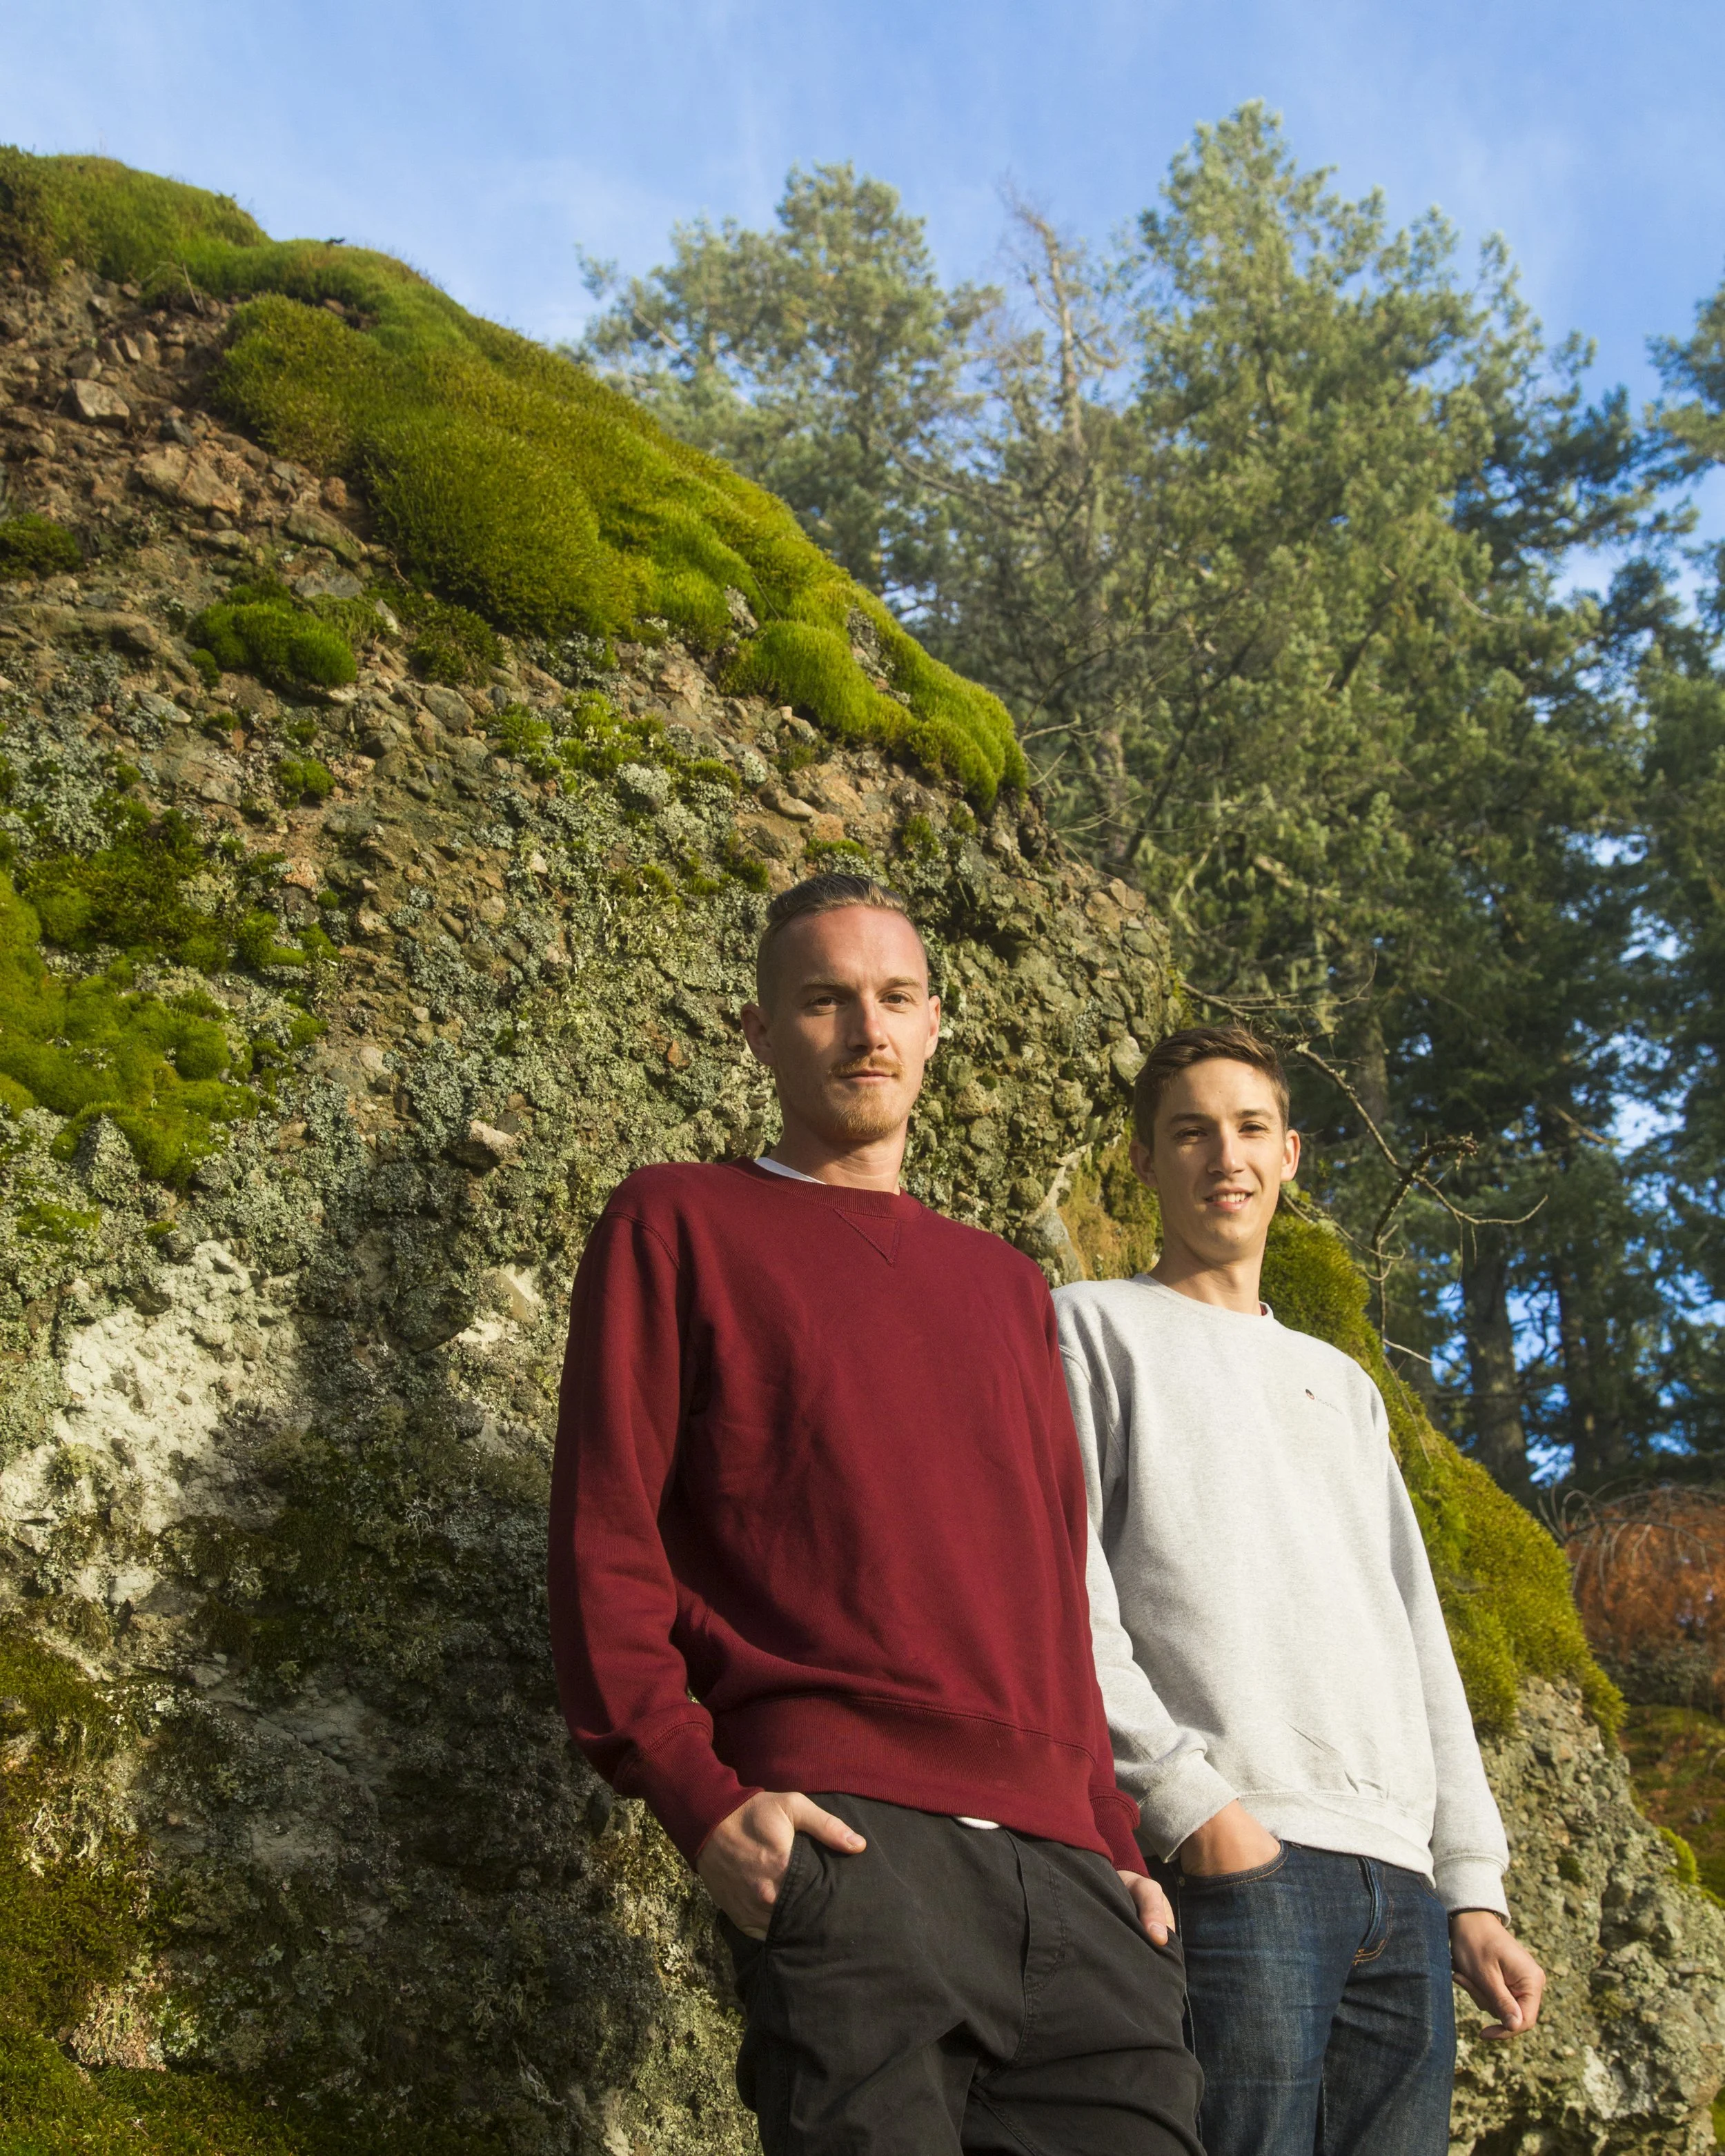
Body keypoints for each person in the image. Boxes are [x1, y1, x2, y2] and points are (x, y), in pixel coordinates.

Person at [547, 873, 1203, 2156]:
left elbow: (1053, 1593)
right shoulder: (676, 1220)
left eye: (896, 997)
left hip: (1081, 1891)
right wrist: (696, 1797)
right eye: (826, 1000)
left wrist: (1117, 1839)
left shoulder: (1012, 1288)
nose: (868, 1030)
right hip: (854, 1849)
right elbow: (605, 1538)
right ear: (759, 1032)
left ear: (937, 1025)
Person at [1055, 1024, 1546, 2156]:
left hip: (1403, 1889)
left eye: (1249, 1129)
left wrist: (1472, 1885)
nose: (1223, 1155)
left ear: (1290, 1156)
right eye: (1189, 1132)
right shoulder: (1092, 1329)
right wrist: (1188, 1802)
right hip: (1240, 1864)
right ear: (1143, 1161)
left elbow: (1416, 1633)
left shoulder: (1343, 1384)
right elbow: (1061, 1586)